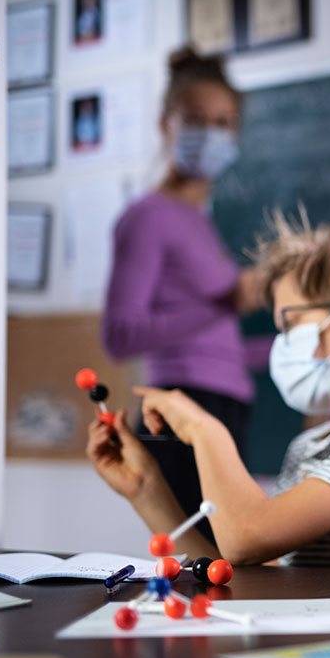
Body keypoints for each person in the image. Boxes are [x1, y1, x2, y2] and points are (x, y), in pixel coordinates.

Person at [87, 220, 330, 572]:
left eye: (291, 323)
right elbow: (242, 568)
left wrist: (204, 429)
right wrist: (147, 489)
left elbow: (247, 539)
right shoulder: (312, 444)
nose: (281, 343)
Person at [102, 47, 264, 544]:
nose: (211, 134)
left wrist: (302, 344)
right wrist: (225, 303)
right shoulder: (149, 217)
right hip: (183, 412)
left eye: (223, 122)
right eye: (196, 120)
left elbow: (217, 351)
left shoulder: (199, 223)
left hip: (223, 409)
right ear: (165, 123)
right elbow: (120, 335)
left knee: (219, 562)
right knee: (205, 563)